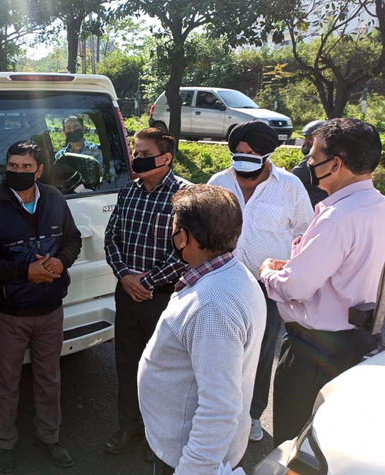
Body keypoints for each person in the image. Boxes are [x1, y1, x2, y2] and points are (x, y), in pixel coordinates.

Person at [260, 118, 385, 446]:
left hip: (314, 353)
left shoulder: (336, 217)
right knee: (334, 445)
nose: (308, 164)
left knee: (294, 446)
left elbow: (295, 287)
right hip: (361, 347)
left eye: (313, 159)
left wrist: (269, 273)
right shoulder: (379, 207)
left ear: (337, 164)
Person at [139, 185, 266, 475]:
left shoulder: (211, 306)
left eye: (173, 226)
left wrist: (192, 470)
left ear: (184, 237)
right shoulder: (233, 272)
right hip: (195, 447)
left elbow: (219, 408)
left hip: (190, 456)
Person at [0, 141, 82, 474]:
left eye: (25, 167)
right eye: (12, 166)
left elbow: (72, 240)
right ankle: (4, 444)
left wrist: (61, 264)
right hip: (9, 313)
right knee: (6, 382)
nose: (18, 172)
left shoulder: (54, 198)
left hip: (50, 310)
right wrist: (25, 271)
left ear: (39, 169)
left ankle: (50, 437)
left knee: (49, 378)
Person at [207, 120, 313, 442]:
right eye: (238, 152)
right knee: (221, 349)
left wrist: (290, 268)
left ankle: (252, 414)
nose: (243, 158)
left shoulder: (289, 186)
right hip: (223, 283)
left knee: (262, 353)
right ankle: (219, 412)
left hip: (267, 288)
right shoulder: (219, 181)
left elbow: (304, 231)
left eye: (251, 153)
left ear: (267, 154)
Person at [103, 127, 189, 457]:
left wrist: (148, 282)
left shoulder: (185, 195)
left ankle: (161, 438)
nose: (136, 159)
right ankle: (129, 428)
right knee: (127, 365)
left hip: (164, 298)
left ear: (165, 158)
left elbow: (185, 251)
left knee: (164, 369)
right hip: (127, 296)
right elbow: (112, 239)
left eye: (143, 154)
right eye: (135, 152)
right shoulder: (129, 192)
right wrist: (126, 278)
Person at [290, 120, 329, 207]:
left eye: (310, 138)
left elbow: (293, 177)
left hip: (313, 205)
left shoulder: (315, 157)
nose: (306, 142)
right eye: (305, 138)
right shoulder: (331, 155)